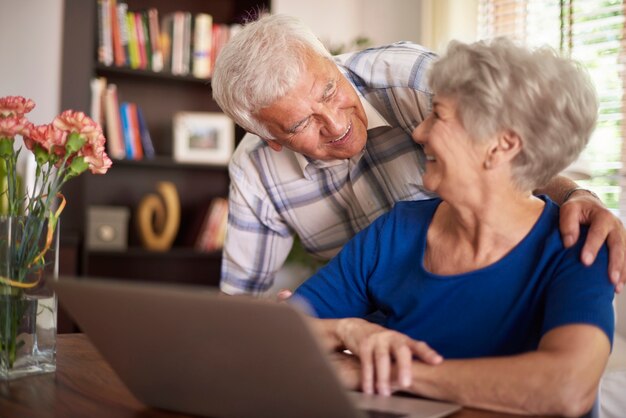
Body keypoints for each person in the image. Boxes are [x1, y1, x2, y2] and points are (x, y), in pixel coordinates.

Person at [291, 38, 614, 416]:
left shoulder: (578, 245)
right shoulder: (395, 231)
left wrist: (390, 374)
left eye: (439, 116)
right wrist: (346, 331)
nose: (419, 133)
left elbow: (566, 388)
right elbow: (283, 333)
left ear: (500, 146)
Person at [212, 13, 626, 296]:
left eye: (330, 91)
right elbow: (243, 303)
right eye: (301, 124)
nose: (337, 127)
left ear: (332, 62)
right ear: (269, 137)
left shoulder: (413, 80)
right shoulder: (259, 172)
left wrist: (577, 196)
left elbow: (517, 150)